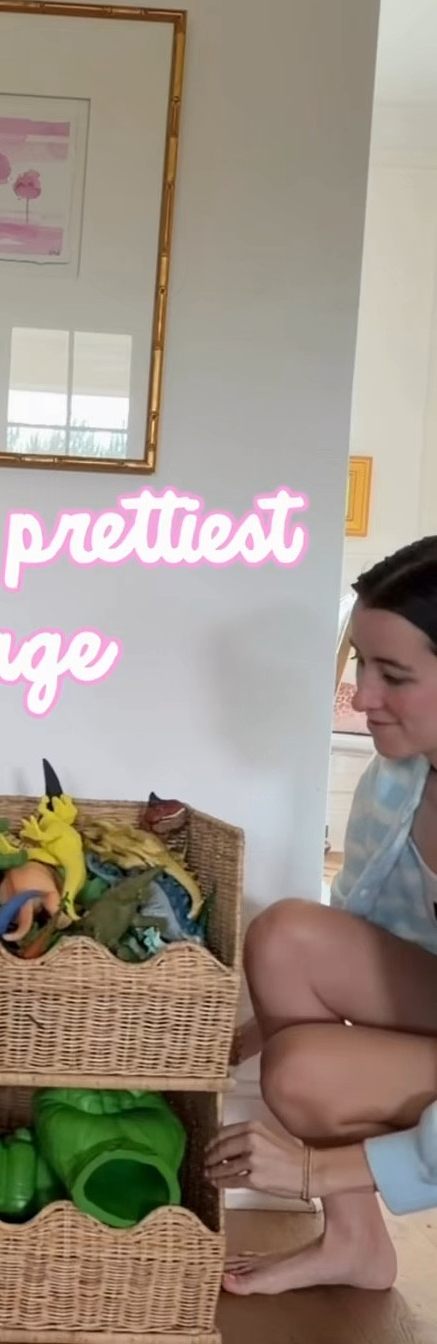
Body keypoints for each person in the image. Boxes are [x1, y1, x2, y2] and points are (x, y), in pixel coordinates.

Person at [206, 536, 437, 1296]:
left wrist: (313, 1169)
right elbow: (358, 936)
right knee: (285, 935)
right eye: (361, 664)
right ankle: (356, 1244)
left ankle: (350, 1226)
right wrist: (238, 1038)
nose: (362, 696)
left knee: (303, 1071)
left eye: (393, 675)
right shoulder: (398, 779)